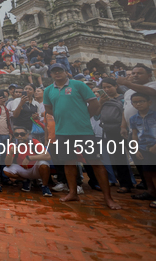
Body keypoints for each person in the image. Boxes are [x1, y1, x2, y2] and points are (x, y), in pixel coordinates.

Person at [43, 63, 120, 209]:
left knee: (95, 162)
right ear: (51, 74)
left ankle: (108, 198)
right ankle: (73, 193)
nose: (57, 73)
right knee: (69, 162)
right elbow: (48, 109)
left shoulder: (78, 85)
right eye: (54, 71)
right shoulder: (48, 90)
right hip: (62, 132)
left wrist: (84, 117)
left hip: (84, 132)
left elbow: (94, 105)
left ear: (66, 72)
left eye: (60, 70)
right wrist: (63, 117)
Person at [118, 63, 156, 199]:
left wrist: (127, 83)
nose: (135, 75)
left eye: (139, 73)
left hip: (151, 133)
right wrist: (123, 126)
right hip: (133, 131)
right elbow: (125, 108)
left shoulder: (152, 85)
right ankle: (150, 190)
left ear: (149, 75)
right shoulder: (128, 91)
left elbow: (151, 93)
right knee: (142, 164)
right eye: (133, 73)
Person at [98, 78, 133, 193]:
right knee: (117, 158)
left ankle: (145, 182)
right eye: (104, 88)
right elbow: (96, 116)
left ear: (116, 86)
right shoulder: (102, 100)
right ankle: (125, 183)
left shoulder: (123, 99)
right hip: (109, 131)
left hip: (125, 130)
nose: (107, 89)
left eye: (109, 87)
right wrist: (101, 103)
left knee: (137, 156)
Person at [3, 126, 53, 196]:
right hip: (23, 170)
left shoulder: (34, 142)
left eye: (22, 134)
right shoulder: (13, 145)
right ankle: (25, 181)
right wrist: (11, 153)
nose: (19, 136)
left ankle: (44, 186)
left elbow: (48, 156)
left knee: (44, 164)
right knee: (6, 170)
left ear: (27, 135)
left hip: (35, 169)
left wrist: (29, 158)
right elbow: (7, 164)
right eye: (17, 134)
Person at [129, 93, 156, 208]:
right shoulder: (133, 119)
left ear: (149, 102)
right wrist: (136, 149)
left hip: (154, 147)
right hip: (143, 148)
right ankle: (151, 192)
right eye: (135, 102)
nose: (138, 104)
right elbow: (135, 134)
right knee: (147, 172)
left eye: (141, 101)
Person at [0, 89, 12, 192]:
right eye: (1, 96)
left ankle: (4, 177)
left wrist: (10, 133)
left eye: (5, 96)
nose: (3, 98)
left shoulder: (6, 108)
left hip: (5, 135)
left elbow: (8, 122)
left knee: (4, 157)